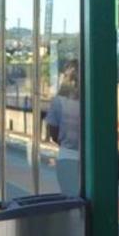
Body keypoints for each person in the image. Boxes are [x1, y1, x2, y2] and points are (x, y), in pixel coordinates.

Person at [45, 60, 80, 194]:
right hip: (91, 162)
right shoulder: (92, 101)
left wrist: (65, 142)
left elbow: (53, 133)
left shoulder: (58, 101)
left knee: (70, 201)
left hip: (66, 157)